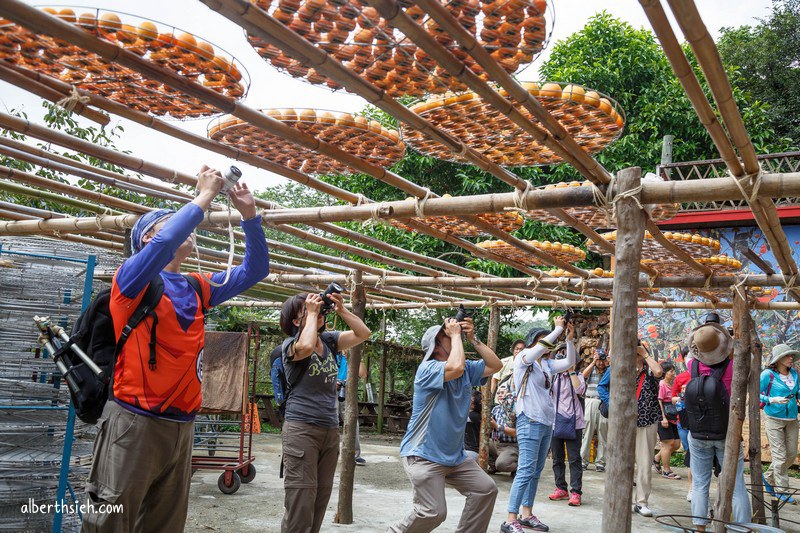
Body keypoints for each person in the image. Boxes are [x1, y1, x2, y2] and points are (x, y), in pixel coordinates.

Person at [82, 167, 270, 532]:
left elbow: (255, 270)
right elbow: (165, 243)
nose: (189, 229)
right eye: (171, 222)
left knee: (165, 524)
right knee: (110, 522)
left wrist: (250, 216)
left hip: (182, 427)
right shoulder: (132, 280)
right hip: (134, 423)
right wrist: (202, 197)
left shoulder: (198, 287)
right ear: (148, 237)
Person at [388, 315, 502, 533]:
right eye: (447, 336)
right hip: (423, 456)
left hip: (455, 457)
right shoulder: (427, 369)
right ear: (437, 346)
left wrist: (473, 339)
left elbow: (495, 365)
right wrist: (457, 335)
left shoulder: (466, 369)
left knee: (485, 489)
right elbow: (456, 368)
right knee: (433, 512)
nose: (453, 336)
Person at [278, 290, 371, 533]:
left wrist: (342, 310)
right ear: (297, 321)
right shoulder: (291, 345)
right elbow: (307, 345)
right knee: (301, 500)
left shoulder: (329, 340)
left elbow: (363, 333)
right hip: (301, 430)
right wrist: (311, 313)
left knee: (320, 498)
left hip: (329, 430)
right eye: (308, 310)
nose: (318, 312)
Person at [501, 318, 574, 533]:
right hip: (529, 420)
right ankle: (510, 518)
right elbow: (540, 348)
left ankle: (526, 515)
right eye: (543, 341)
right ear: (533, 343)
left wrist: (568, 340)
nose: (548, 345)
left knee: (535, 472)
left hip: (545, 423)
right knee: (525, 471)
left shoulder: (546, 365)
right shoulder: (524, 359)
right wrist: (558, 329)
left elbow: (569, 363)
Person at [684, 322, 751, 531]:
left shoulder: (691, 366)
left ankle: (700, 526)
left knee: (700, 483)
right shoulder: (734, 367)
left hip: (697, 434)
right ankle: (740, 527)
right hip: (726, 433)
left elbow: (691, 354)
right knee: (737, 484)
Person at [598, 341, 663, 518]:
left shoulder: (649, 368)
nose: (634, 356)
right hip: (622, 423)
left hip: (646, 421)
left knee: (644, 463)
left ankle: (641, 503)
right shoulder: (618, 366)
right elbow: (602, 387)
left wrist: (646, 355)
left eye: (637, 352)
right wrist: (611, 404)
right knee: (620, 462)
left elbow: (659, 372)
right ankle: (619, 500)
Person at [760, 343, 800, 502]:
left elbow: (797, 391)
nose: (791, 358)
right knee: (780, 456)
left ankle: (768, 477)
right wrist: (770, 399)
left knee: (790, 454)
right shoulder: (767, 375)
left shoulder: (795, 374)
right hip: (774, 419)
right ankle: (782, 491)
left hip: (792, 419)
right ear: (778, 359)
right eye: (788, 355)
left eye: (792, 355)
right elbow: (755, 393)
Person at [548, 342, 586, 507]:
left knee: (574, 459)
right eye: (560, 354)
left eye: (566, 355)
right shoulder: (553, 376)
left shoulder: (578, 375)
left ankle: (576, 492)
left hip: (574, 422)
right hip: (555, 422)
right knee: (557, 458)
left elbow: (579, 390)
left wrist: (571, 371)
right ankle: (560, 488)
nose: (562, 357)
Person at [336, 349, 368, 465]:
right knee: (330, 421)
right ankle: (330, 453)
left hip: (347, 390)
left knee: (352, 421)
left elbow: (363, 374)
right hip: (330, 390)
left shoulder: (352, 356)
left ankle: (355, 454)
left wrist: (358, 356)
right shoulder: (331, 353)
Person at [581, 347, 609, 472]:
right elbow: (582, 376)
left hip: (604, 402)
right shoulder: (591, 369)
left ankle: (601, 462)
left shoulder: (608, 370)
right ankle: (583, 460)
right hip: (590, 400)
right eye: (599, 360)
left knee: (604, 432)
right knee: (587, 431)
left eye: (603, 360)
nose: (601, 363)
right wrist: (593, 362)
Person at [654, 361, 682, 480]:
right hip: (664, 418)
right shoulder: (662, 385)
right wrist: (662, 417)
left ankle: (656, 459)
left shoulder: (671, 385)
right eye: (671, 371)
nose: (673, 373)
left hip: (673, 418)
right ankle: (666, 471)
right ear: (664, 373)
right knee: (667, 444)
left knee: (676, 444)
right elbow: (659, 401)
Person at [489, 378, 518, 476]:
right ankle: (493, 465)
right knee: (479, 444)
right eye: (498, 393)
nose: (500, 395)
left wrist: (497, 426)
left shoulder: (515, 410)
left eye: (503, 392)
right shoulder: (496, 409)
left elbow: (516, 433)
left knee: (502, 464)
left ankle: (518, 466)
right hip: (496, 443)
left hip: (511, 446)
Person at [464, 389, 482, 461]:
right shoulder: (469, 414)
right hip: (466, 450)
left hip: (472, 451)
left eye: (470, 401)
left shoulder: (473, 415)